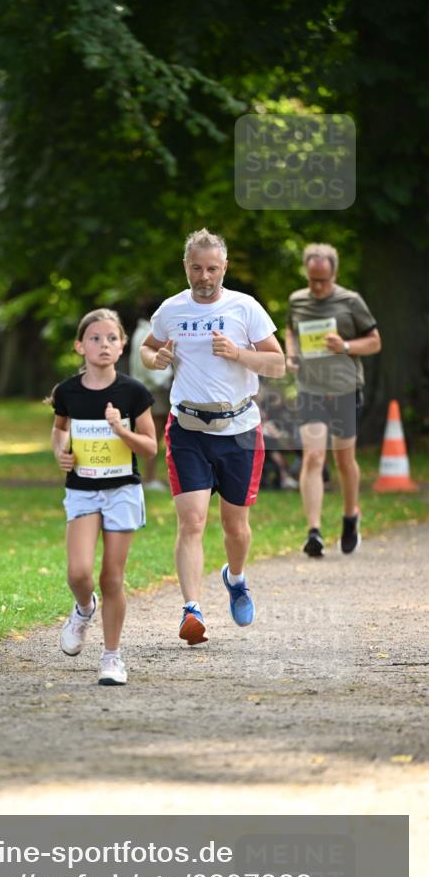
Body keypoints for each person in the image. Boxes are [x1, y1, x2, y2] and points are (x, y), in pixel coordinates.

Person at [140, 228, 285, 645]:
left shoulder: (246, 308)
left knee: (235, 526)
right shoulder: (171, 310)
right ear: (185, 267)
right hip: (187, 429)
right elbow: (149, 351)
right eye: (196, 268)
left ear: (225, 268)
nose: (204, 277)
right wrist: (157, 356)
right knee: (192, 523)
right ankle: (192, 611)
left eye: (212, 269)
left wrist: (238, 354)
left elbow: (278, 364)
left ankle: (235, 579)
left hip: (239, 430)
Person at [50, 308, 157, 685]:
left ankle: (112, 657)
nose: (104, 345)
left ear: (123, 344)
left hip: (122, 491)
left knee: (112, 577)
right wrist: (60, 452)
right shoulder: (67, 392)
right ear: (80, 346)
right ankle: (83, 609)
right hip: (82, 490)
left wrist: (119, 430)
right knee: (79, 573)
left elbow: (150, 448)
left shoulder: (133, 392)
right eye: (95, 338)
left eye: (112, 338)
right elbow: (60, 431)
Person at [286, 243, 381, 557]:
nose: (317, 287)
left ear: (334, 274)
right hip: (310, 388)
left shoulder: (350, 301)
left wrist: (345, 346)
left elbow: (374, 342)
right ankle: (313, 531)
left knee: (343, 460)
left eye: (323, 281)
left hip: (344, 388)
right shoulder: (297, 300)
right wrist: (291, 354)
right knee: (313, 457)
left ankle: (350, 515)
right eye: (312, 280)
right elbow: (290, 330)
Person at [129, 316, 173, 490]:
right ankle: (149, 478)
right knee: (153, 437)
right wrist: (169, 374)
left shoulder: (140, 331)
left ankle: (149, 477)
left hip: (147, 389)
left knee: (153, 436)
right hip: (154, 390)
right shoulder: (149, 333)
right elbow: (150, 368)